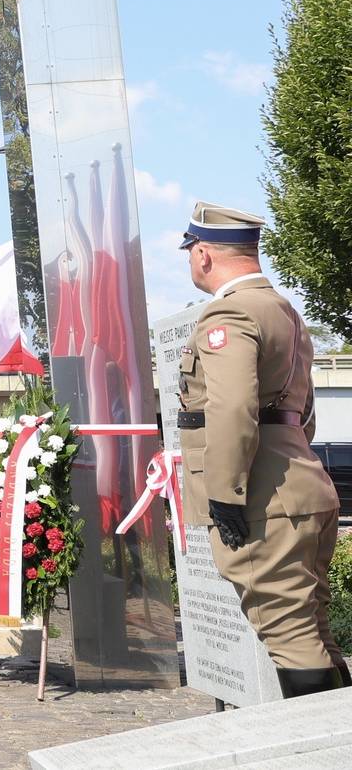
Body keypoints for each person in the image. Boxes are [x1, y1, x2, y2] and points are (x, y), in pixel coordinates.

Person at [176, 203, 345, 696]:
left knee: (290, 636)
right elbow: (304, 410)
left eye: (190, 253)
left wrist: (224, 493)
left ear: (204, 254)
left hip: (261, 499)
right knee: (313, 632)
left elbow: (231, 408)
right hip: (299, 486)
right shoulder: (284, 311)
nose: (190, 263)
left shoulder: (229, 313)